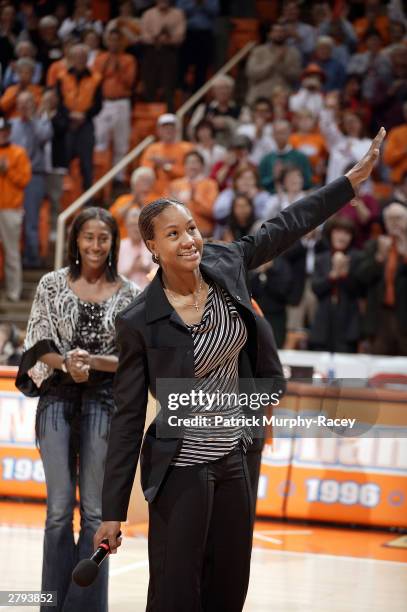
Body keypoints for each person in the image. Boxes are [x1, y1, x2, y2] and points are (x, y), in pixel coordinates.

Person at [94, 128, 386, 611]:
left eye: (190, 227)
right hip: (181, 468)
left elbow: (287, 224)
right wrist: (112, 511)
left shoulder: (226, 262)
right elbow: (127, 418)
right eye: (173, 234)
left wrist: (348, 184)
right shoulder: (138, 321)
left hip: (236, 456)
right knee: (174, 592)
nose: (189, 239)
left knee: (229, 588)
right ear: (150, 246)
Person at [15, 207, 140, 612]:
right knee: (57, 510)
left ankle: (85, 608)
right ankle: (51, 605)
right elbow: (37, 341)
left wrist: (92, 363)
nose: (95, 246)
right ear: (75, 241)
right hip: (57, 398)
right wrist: (67, 364)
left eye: (103, 238)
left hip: (104, 402)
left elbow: (133, 358)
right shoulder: (51, 284)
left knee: (94, 514)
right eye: (88, 237)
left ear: (113, 244)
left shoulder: (129, 294)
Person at [355, 202, 407, 356]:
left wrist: (405, 255)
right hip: (380, 317)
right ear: (384, 222)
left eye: (398, 218)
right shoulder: (373, 245)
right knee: (378, 367)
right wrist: (379, 258)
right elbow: (361, 277)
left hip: (404, 314)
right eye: (390, 219)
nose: (394, 222)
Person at [309, 216, 362, 353]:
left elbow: (359, 289)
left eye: (347, 233)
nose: (342, 237)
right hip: (323, 321)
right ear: (330, 233)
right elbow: (316, 288)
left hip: (348, 322)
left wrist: (344, 274)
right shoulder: (321, 258)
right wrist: (333, 275)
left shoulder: (356, 257)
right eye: (338, 231)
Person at [0, 116, 32, 302]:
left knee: (12, 253)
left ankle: (14, 292)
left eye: (4, 132)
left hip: (11, 210)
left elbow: (24, 180)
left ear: (9, 132)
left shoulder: (18, 153)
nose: (2, 135)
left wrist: (7, 171)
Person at [169, 149, 218, 237]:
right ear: (184, 166)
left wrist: (194, 199)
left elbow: (212, 211)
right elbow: (166, 209)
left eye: (196, 162)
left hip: (203, 232)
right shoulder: (175, 184)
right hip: (179, 233)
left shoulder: (210, 184)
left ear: (202, 166)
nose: (192, 166)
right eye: (189, 162)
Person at [110, 166, 158, 238]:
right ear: (133, 183)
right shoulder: (124, 199)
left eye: (149, 180)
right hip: (124, 242)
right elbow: (112, 221)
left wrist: (142, 204)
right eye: (143, 180)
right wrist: (132, 202)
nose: (146, 184)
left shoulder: (157, 200)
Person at [118, 206, 157, 289]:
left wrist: (147, 270)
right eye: (132, 225)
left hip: (149, 292)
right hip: (126, 294)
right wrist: (132, 269)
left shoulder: (152, 246)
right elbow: (114, 280)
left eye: (137, 225)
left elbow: (160, 277)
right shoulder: (120, 247)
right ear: (126, 226)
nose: (135, 229)